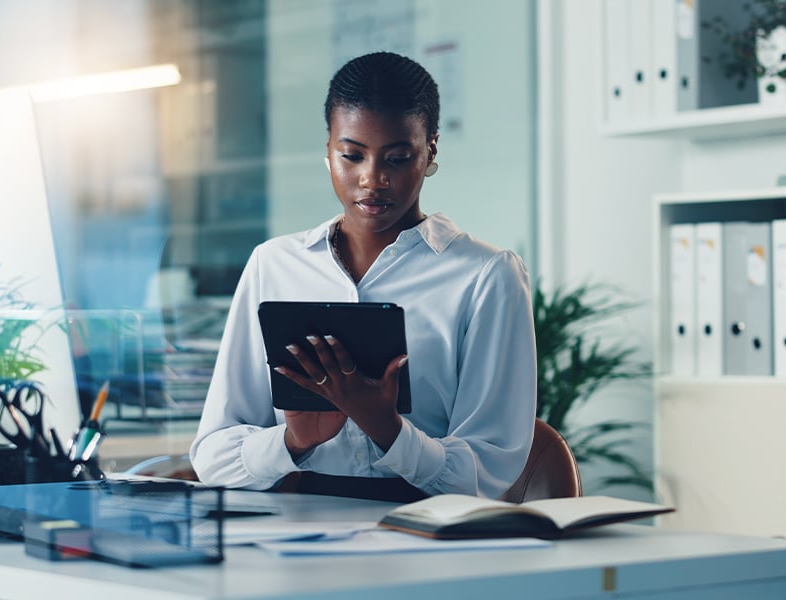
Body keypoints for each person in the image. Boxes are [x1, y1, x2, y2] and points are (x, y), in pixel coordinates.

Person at [190, 51, 536, 501]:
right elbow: (213, 455)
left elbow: (489, 473)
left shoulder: (486, 276)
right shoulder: (273, 263)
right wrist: (294, 441)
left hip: (429, 532)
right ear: (328, 150)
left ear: (430, 149)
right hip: (290, 530)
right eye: (351, 155)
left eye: (396, 158)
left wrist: (388, 430)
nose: (372, 179)